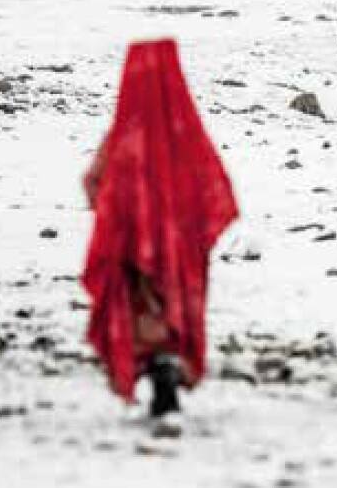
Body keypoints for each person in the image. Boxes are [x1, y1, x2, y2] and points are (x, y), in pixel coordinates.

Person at [82, 39, 238, 420]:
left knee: (144, 314)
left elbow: (94, 183)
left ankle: (157, 375)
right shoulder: (187, 132)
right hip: (179, 255)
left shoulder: (123, 137)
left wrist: (118, 217)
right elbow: (215, 187)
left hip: (135, 253)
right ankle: (168, 373)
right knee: (174, 311)